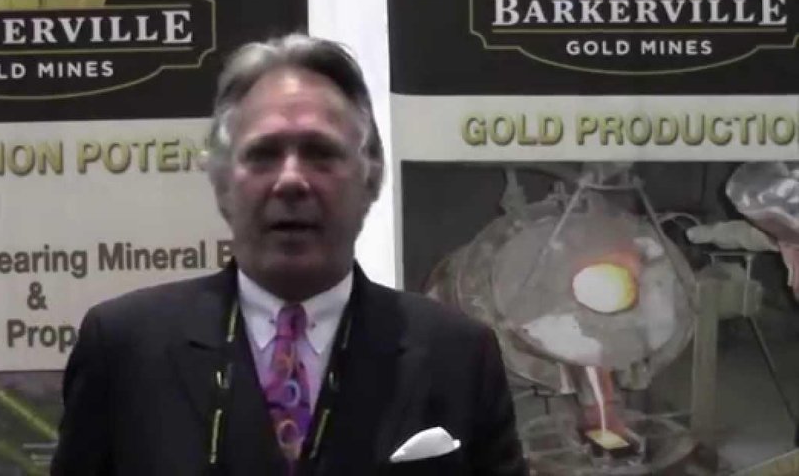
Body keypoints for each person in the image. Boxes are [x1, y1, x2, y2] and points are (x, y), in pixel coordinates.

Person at [50, 33, 527, 475]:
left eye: (321, 153)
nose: (292, 180)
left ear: (371, 178)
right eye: (263, 154)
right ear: (221, 182)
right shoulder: (125, 349)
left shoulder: (458, 356)